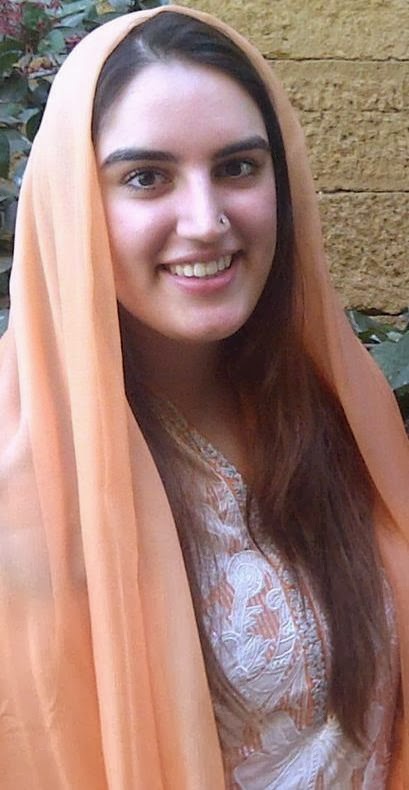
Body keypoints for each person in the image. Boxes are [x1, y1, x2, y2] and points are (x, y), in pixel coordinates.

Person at [0, 5, 408, 788]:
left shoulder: (338, 407)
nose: (206, 221)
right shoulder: (24, 482)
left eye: (237, 168)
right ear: (73, 205)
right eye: (146, 177)